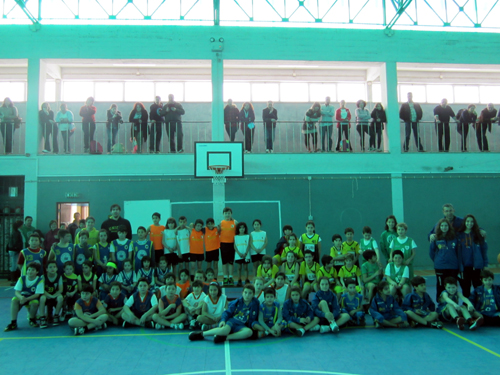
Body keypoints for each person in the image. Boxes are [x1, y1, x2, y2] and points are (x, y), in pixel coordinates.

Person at [188, 284, 260, 343]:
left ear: (253, 294)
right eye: (245, 292)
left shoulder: (255, 304)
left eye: (250, 293)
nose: (247, 295)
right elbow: (227, 312)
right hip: (232, 322)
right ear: (242, 293)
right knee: (224, 330)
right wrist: (223, 320)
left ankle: (225, 338)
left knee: (249, 332)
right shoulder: (237, 302)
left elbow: (256, 317)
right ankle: (202, 334)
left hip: (242, 325)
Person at [4, 262, 44, 331]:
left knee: (35, 303)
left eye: (32, 270)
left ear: (37, 272)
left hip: (32, 298)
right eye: (29, 270)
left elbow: (37, 294)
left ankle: (32, 319)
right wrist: (21, 297)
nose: (30, 271)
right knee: (14, 300)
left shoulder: (39, 280)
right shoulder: (22, 278)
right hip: (23, 298)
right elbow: (17, 292)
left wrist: (27, 299)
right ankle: (13, 322)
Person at [457, 214, 488, 298]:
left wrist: (485, 264)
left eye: (472, 221)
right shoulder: (459, 235)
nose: (469, 223)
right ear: (464, 222)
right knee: (466, 288)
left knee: (478, 287)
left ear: (474, 223)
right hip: (465, 267)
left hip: (477, 267)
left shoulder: (478, 235)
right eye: (467, 221)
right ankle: (467, 305)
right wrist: (460, 266)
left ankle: (480, 305)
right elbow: (457, 252)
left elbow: (484, 251)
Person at [429, 218, 460, 300]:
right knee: (440, 285)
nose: (444, 227)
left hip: (453, 266)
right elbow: (431, 252)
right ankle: (440, 304)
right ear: (439, 227)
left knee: (452, 285)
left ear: (449, 227)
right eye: (442, 225)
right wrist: (437, 260)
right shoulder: (436, 238)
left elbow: (458, 252)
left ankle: (454, 302)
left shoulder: (454, 238)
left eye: (446, 225)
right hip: (440, 266)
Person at [39, 261, 64, 328]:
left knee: (60, 298)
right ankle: (42, 317)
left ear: (57, 268)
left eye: (54, 267)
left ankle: (56, 316)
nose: (52, 268)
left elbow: (60, 289)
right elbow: (42, 290)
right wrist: (50, 296)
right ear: (46, 269)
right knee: (42, 298)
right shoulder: (43, 277)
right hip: (46, 295)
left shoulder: (59, 277)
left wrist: (54, 296)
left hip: (55, 295)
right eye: (50, 267)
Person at [219, 207, 237, 286]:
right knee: (224, 262)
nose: (227, 215)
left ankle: (231, 277)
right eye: (225, 213)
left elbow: (240, 230)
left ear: (231, 214)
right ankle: (225, 277)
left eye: (229, 213)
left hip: (232, 244)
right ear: (223, 214)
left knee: (230, 262)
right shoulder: (221, 223)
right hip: (223, 244)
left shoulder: (235, 222)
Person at [7, 220, 23, 286]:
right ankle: (13, 279)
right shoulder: (17, 232)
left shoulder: (14, 231)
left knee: (14, 264)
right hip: (15, 250)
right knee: (14, 264)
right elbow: (16, 242)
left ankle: (13, 279)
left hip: (13, 250)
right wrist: (18, 249)